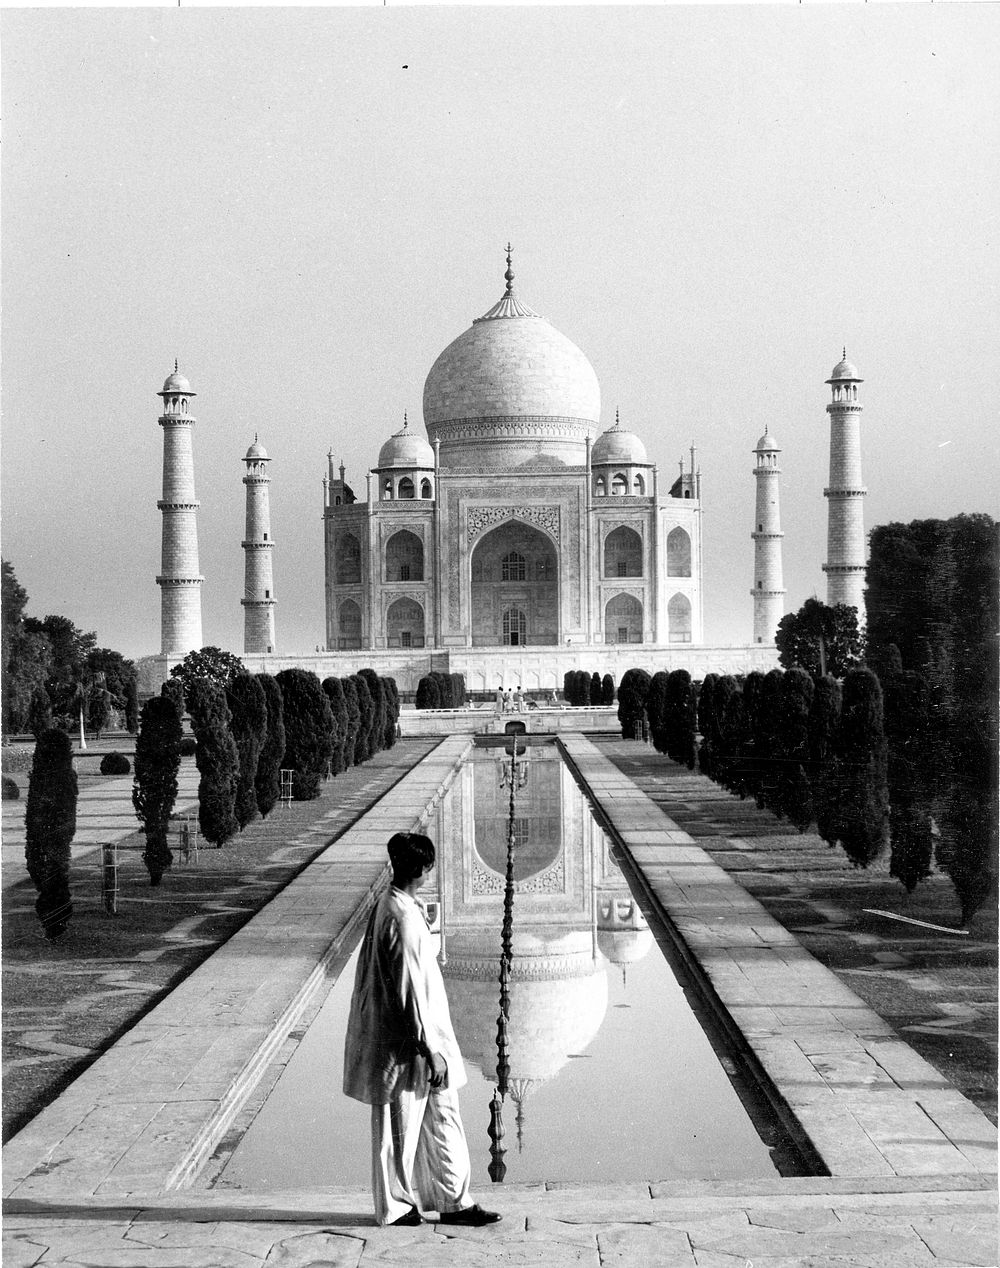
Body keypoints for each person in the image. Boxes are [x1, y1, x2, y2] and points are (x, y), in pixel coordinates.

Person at [343, 831, 501, 1228]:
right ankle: (396, 1208)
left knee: (443, 1118)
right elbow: (408, 991)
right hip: (409, 1045)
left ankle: (454, 1201)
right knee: (400, 1128)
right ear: (423, 869)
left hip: (427, 1041)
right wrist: (428, 1049)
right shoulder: (399, 917)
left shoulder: (397, 905)